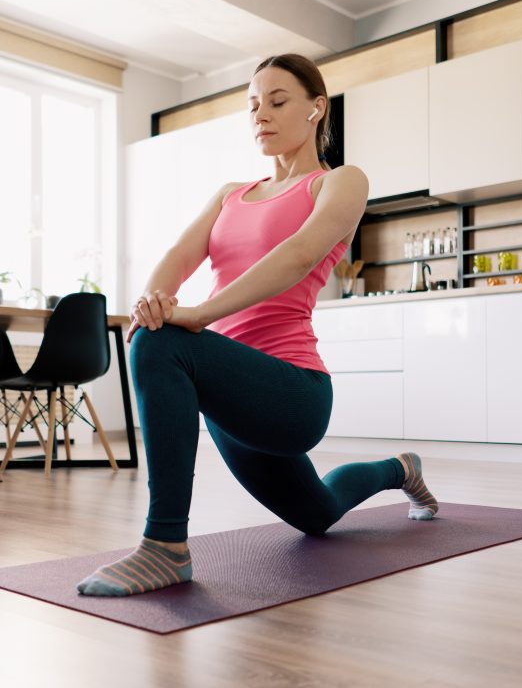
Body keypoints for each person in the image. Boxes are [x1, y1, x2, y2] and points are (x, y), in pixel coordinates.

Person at [77, 54, 438, 597]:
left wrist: (195, 314)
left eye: (277, 101)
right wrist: (154, 298)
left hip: (293, 393)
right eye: (252, 106)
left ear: (317, 108)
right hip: (233, 395)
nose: (260, 116)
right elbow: (179, 254)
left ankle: (165, 548)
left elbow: (297, 256)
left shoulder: (340, 182)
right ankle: (399, 469)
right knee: (317, 513)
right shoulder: (229, 195)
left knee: (160, 345)